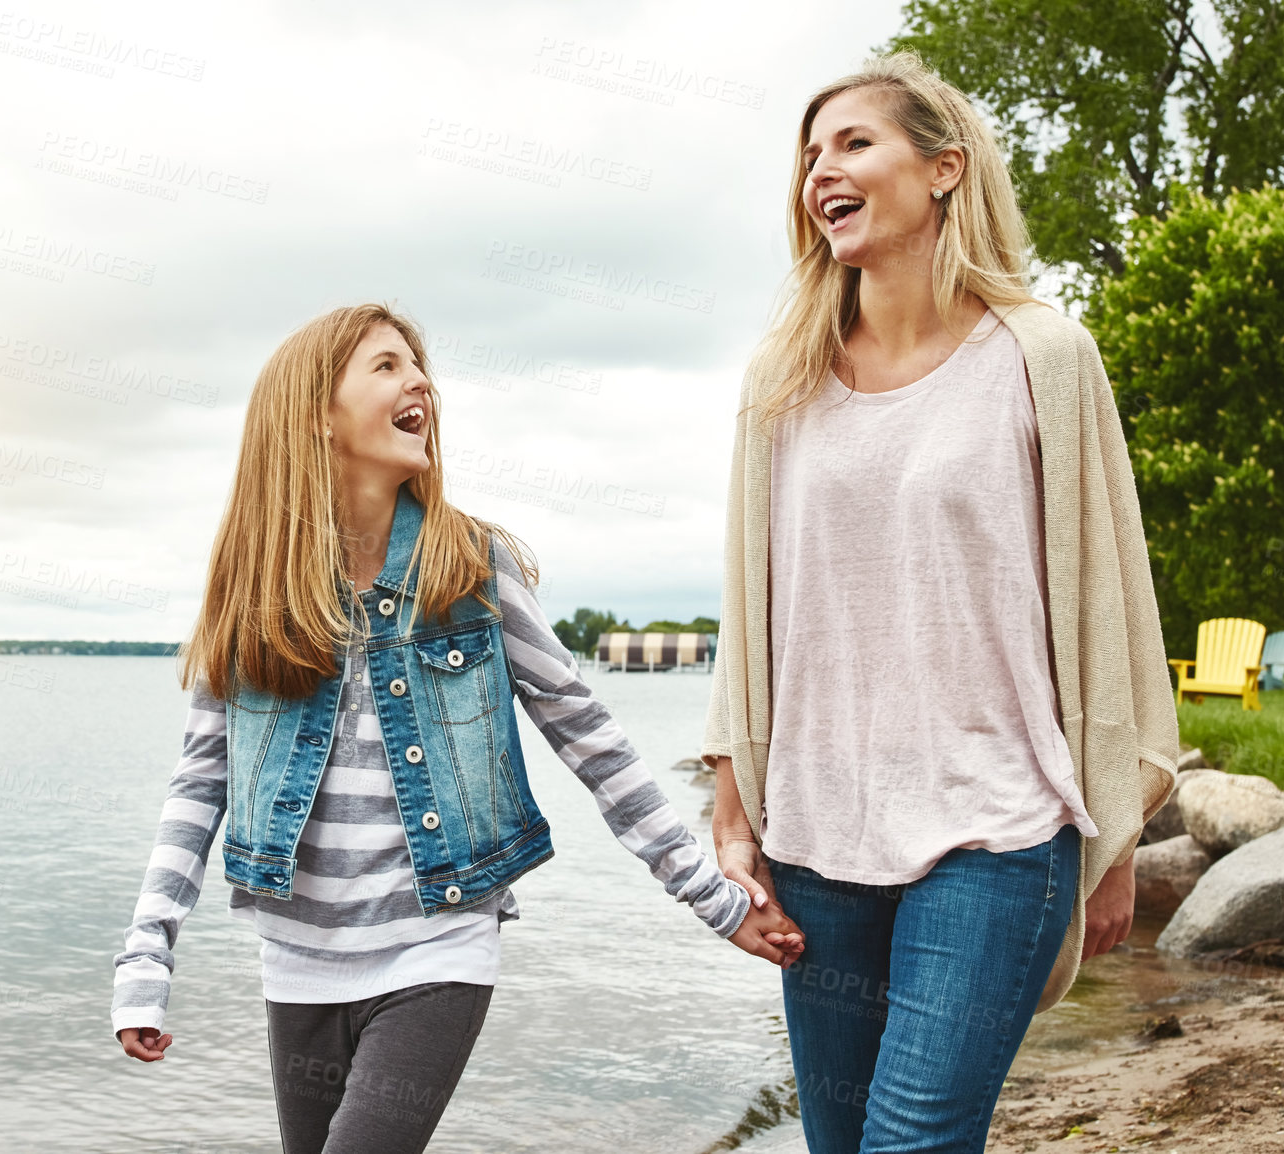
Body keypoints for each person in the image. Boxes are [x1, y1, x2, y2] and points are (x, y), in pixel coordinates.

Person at [112, 303, 803, 1154]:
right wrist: (146, 958)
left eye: (420, 366)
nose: (420, 383)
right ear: (315, 417)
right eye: (387, 366)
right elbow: (199, 783)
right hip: (295, 957)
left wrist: (711, 896)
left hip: (436, 946)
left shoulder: (468, 568)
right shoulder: (253, 591)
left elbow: (589, 738)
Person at [701, 53, 1180, 1154]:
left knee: (912, 1137)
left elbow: (1109, 593)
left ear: (944, 169)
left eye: (854, 142)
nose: (822, 167)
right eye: (810, 153)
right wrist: (732, 809)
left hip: (996, 827)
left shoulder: (1042, 356)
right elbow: (750, 604)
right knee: (837, 1140)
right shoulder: (781, 380)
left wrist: (1114, 831)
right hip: (817, 830)